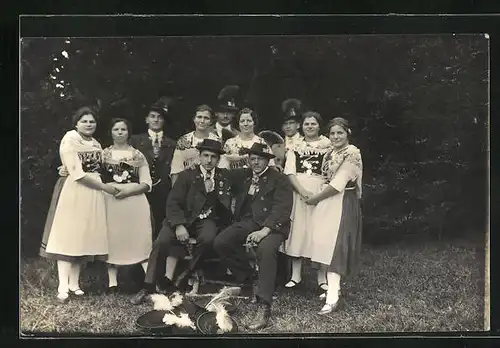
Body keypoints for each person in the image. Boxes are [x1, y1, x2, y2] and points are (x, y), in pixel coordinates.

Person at [131, 139, 232, 304]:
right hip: (181, 218)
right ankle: (148, 285)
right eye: (205, 155)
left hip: (205, 220)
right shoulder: (187, 175)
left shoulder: (223, 177)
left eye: (213, 157)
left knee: (208, 238)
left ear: (218, 159)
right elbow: (172, 202)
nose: (209, 160)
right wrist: (179, 225)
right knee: (161, 242)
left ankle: (187, 273)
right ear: (199, 156)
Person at [39, 106, 117, 302]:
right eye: (84, 121)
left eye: (92, 121)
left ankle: (75, 283)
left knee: (83, 237)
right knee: (69, 236)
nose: (89, 124)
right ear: (76, 123)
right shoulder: (70, 138)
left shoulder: (97, 143)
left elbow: (99, 168)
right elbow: (77, 173)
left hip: (93, 193)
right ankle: (62, 286)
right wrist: (104, 187)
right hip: (75, 189)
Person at [213, 143, 293, 330]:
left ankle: (264, 305)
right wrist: (196, 165)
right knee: (220, 242)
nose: (255, 162)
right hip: (249, 222)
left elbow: (281, 209)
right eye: (252, 159)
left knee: (265, 249)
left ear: (268, 160)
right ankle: (250, 277)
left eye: (260, 159)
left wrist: (264, 231)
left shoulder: (279, 179)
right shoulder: (244, 174)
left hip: (273, 226)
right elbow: (221, 173)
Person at [306, 117, 363, 315]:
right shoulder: (330, 153)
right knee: (324, 244)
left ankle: (332, 298)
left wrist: (314, 199)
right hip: (328, 202)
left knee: (335, 247)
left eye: (340, 132)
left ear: (348, 133)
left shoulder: (352, 153)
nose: (336, 136)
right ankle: (334, 287)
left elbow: (338, 183)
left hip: (343, 201)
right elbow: (325, 178)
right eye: (332, 133)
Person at [282, 111, 332, 292]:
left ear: (319, 125)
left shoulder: (328, 145)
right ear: (301, 127)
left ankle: (321, 277)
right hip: (299, 192)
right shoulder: (295, 147)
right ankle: (296, 275)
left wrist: (321, 193)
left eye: (313, 124)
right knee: (299, 230)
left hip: (321, 192)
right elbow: (289, 172)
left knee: (320, 232)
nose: (310, 127)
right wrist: (302, 191)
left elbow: (331, 171)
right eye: (306, 124)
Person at [101, 118, 153, 293]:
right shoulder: (103, 154)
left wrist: (129, 192)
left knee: (138, 236)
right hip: (110, 200)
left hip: (135, 202)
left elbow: (146, 183)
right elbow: (91, 176)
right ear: (111, 132)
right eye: (116, 129)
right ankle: (112, 283)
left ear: (129, 132)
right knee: (113, 237)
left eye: (123, 129)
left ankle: (148, 282)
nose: (120, 132)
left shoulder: (137, 155)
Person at [129, 97, 176, 239]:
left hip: (164, 192)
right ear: (146, 120)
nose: (156, 120)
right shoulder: (135, 141)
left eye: (160, 117)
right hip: (141, 190)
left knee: (160, 227)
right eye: (152, 116)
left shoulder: (172, 143)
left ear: (164, 121)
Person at [170, 104, 221, 186]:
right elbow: (176, 169)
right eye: (199, 117)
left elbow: (220, 168)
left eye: (206, 118)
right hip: (187, 184)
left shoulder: (216, 141)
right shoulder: (184, 141)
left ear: (211, 121)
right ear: (194, 119)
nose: (202, 121)